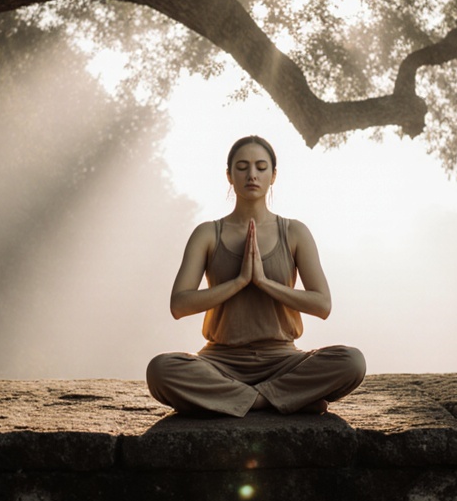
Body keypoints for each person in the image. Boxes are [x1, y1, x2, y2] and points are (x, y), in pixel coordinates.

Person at [146, 135, 366, 417]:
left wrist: (264, 283)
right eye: (242, 167)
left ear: (273, 176)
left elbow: (322, 305)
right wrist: (239, 282)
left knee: (351, 362)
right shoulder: (207, 234)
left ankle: (238, 401)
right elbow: (179, 305)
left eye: (261, 167)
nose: (252, 175)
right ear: (229, 175)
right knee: (160, 370)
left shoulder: (294, 232)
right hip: (220, 363)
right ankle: (281, 400)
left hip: (283, 361)